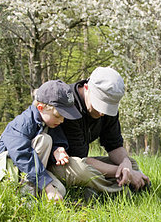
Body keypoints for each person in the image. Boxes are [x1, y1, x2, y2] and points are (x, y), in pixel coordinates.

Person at [49, 67, 150, 195]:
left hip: (82, 162)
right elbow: (80, 157)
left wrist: (126, 164)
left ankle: (95, 190)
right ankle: (117, 192)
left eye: (108, 108)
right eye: (99, 105)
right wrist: (124, 172)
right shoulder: (69, 105)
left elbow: (114, 146)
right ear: (86, 88)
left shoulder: (107, 112)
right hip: (59, 162)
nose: (102, 112)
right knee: (83, 170)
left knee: (132, 162)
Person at [0, 80, 82, 201]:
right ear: (40, 107)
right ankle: (26, 198)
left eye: (64, 117)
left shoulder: (49, 123)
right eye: (57, 115)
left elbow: (57, 141)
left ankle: (35, 194)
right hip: (5, 175)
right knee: (44, 140)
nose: (61, 120)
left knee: (60, 190)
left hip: (31, 172)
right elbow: (23, 156)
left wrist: (57, 149)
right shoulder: (22, 124)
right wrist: (47, 186)